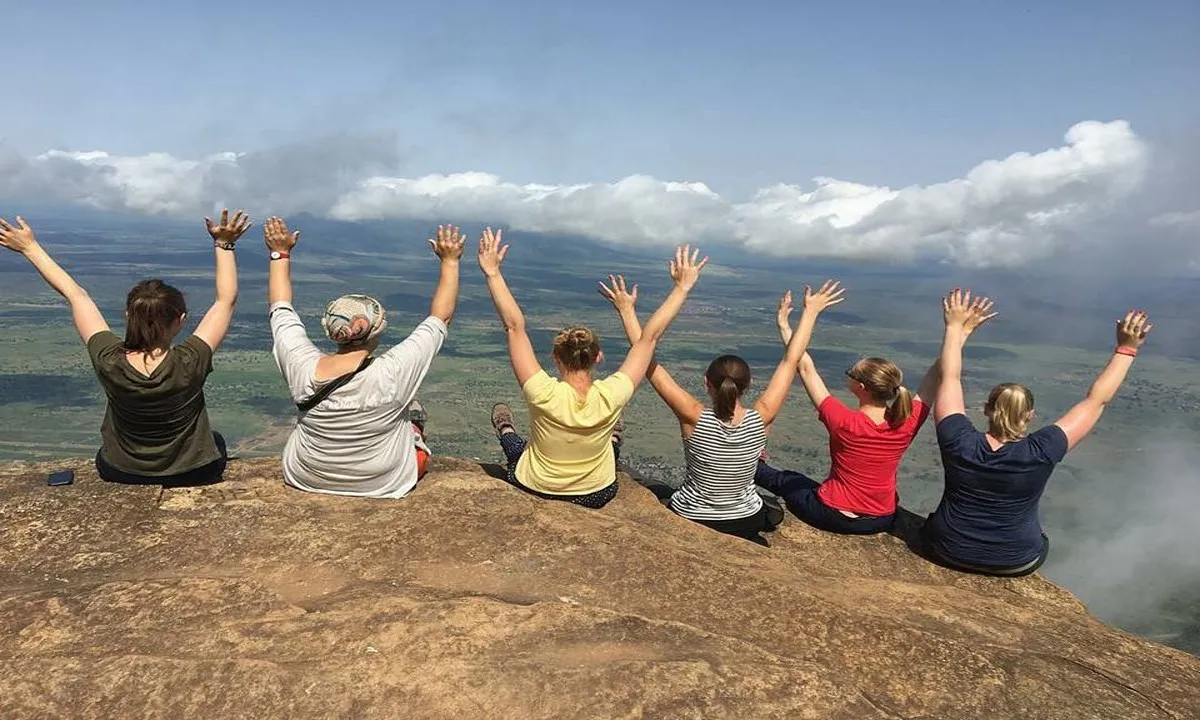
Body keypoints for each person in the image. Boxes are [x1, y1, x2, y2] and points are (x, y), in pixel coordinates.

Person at [0, 210, 250, 486]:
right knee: (216, 441)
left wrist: (30, 247)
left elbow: (75, 295)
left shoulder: (108, 358)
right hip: (193, 471)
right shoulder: (191, 360)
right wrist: (224, 245)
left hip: (121, 470)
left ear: (128, 315)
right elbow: (225, 300)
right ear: (180, 321)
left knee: (104, 453)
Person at [599, 274, 846, 545]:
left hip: (692, 515)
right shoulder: (762, 416)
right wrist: (810, 312)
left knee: (656, 490)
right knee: (772, 509)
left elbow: (647, 360)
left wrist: (627, 310)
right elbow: (791, 361)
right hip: (745, 519)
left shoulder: (693, 415)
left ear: (707, 383)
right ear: (747, 386)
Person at [923, 289, 1153, 577]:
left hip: (945, 549)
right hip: (1015, 559)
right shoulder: (1044, 449)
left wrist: (955, 327)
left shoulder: (958, 439)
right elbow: (1096, 401)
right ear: (1030, 415)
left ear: (986, 409)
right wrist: (1126, 348)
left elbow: (950, 378)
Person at [484, 231, 707, 509]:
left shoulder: (542, 391)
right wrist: (680, 288)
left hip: (535, 486)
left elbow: (514, 326)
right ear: (598, 357)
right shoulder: (612, 394)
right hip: (595, 494)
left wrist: (492, 272)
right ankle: (613, 436)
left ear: (555, 357)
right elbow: (649, 339)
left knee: (516, 449)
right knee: (611, 450)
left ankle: (505, 429)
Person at [266, 217, 464, 498]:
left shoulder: (299, 363)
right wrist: (450, 261)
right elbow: (440, 317)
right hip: (383, 481)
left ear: (329, 329)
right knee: (412, 428)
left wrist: (279, 253)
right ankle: (415, 429)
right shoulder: (393, 372)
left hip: (306, 474)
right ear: (378, 328)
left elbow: (280, 307)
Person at [753, 290, 944, 534]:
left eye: (851, 373)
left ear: (861, 387)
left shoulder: (844, 420)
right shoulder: (907, 420)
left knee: (786, 480)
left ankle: (751, 466)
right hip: (881, 519)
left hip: (834, 514)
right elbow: (937, 376)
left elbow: (805, 368)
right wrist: (957, 333)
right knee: (802, 482)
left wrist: (787, 324)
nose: (848, 376)